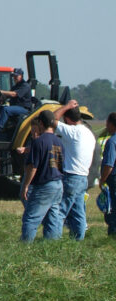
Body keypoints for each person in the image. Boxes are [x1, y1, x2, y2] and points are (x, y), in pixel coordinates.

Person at [50, 100, 96, 240]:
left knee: (59, 211)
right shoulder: (88, 133)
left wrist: (66, 106)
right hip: (83, 178)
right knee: (78, 213)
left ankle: (53, 241)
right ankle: (78, 240)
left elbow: (51, 119)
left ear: (68, 119)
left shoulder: (72, 131)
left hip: (71, 176)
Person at [19, 110, 64, 242]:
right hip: (58, 183)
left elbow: (33, 166)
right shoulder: (59, 141)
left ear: (41, 123)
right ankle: (52, 246)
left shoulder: (38, 142)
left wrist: (26, 186)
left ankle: (25, 248)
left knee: (31, 218)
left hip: (44, 185)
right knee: (53, 218)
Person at [99, 112, 116, 237]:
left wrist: (102, 179)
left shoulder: (112, 142)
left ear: (111, 124)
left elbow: (109, 164)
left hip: (114, 180)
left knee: (113, 210)